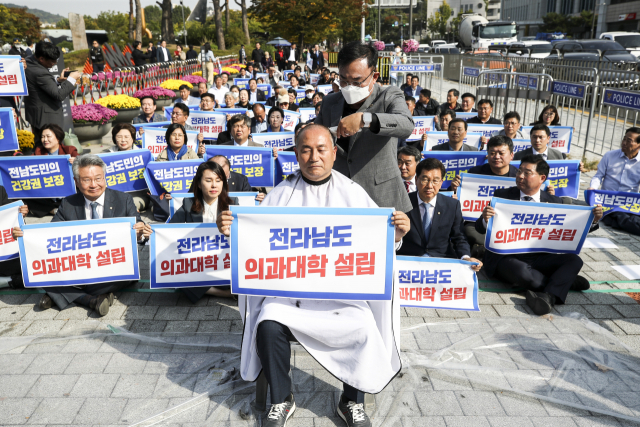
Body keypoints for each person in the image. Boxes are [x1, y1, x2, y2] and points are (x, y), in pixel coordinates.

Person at [215, 124, 409, 427]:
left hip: (340, 296)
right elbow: (255, 244)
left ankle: (351, 401)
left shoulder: (353, 193)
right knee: (267, 325)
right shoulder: (280, 194)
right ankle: (282, 398)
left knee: (365, 326)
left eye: (321, 150)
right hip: (291, 296)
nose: (313, 157)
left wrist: (395, 235)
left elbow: (378, 245)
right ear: (296, 154)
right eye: (305, 149)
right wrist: (232, 232)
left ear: (334, 153)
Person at [13, 155, 145, 316]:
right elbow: (49, 236)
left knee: (108, 279)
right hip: (82, 266)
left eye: (98, 178)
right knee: (43, 274)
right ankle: (92, 299)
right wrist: (25, 234)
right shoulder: (68, 203)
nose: (94, 184)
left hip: (112, 268)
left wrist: (140, 232)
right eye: (86, 180)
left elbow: (139, 232)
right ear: (76, 181)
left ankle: (62, 295)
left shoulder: (123, 199)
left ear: (105, 177)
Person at [476, 155, 603, 315]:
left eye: (527, 173)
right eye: (519, 171)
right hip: (508, 257)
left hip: (540, 257)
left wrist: (594, 220)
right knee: (525, 274)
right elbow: (479, 228)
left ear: (542, 178)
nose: (520, 176)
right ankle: (563, 282)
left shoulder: (554, 201)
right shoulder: (502, 195)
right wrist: (485, 219)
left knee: (574, 260)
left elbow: (575, 227)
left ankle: (548, 296)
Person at [315, 42, 414, 212]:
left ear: (374, 76)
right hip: (339, 197)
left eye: (357, 81)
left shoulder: (389, 96)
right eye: (344, 80)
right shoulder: (330, 102)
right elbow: (317, 138)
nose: (349, 87)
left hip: (381, 197)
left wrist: (365, 119)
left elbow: (406, 125)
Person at [143, 162, 239, 301]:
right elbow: (170, 231)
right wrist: (152, 234)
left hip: (222, 261)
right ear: (199, 184)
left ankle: (206, 289)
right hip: (197, 262)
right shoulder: (189, 204)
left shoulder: (233, 204)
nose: (214, 185)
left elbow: (241, 236)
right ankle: (223, 293)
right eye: (208, 180)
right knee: (175, 272)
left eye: (218, 181)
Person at [396, 157, 483, 270]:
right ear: (416, 179)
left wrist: (466, 258)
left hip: (441, 262)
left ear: (441, 182)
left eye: (435, 180)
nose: (430, 186)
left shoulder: (452, 205)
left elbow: (459, 237)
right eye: (425, 179)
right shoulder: (402, 203)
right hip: (408, 262)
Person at [450, 135, 518, 257]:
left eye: (501, 153)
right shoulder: (474, 173)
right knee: (468, 230)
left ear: (511, 155)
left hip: (508, 226)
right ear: (487, 154)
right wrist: (454, 189)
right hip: (476, 222)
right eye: (492, 153)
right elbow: (459, 198)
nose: (496, 157)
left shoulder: (518, 177)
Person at [25, 41, 80, 145]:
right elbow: (59, 95)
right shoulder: (40, 72)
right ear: (41, 58)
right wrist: (71, 79)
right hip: (47, 117)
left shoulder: (28, 61)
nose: (55, 63)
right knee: (52, 146)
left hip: (36, 114)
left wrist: (58, 80)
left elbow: (40, 84)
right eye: (53, 61)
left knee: (41, 146)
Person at [589, 127, 640, 235]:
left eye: (629, 141)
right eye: (624, 139)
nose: (624, 143)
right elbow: (599, 176)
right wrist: (592, 188)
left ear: (638, 145)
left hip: (630, 202)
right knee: (624, 219)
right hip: (608, 201)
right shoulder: (610, 155)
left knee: (633, 217)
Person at [26, 124, 79, 218]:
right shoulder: (39, 151)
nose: (45, 140)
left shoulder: (69, 150)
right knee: (25, 193)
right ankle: (52, 210)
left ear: (58, 138)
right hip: (47, 194)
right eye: (42, 137)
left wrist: (77, 161)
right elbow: (27, 164)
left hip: (67, 193)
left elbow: (84, 162)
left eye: (48, 136)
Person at [105, 123, 150, 211]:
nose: (123, 140)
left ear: (132, 138)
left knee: (130, 207)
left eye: (126, 137)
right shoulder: (106, 155)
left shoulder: (143, 154)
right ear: (114, 138)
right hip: (114, 197)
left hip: (138, 195)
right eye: (119, 137)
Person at [0, 185, 29, 289]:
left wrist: (21, 212)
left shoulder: (0, 190)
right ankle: (11, 280)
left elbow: (10, 216)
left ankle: (7, 280)